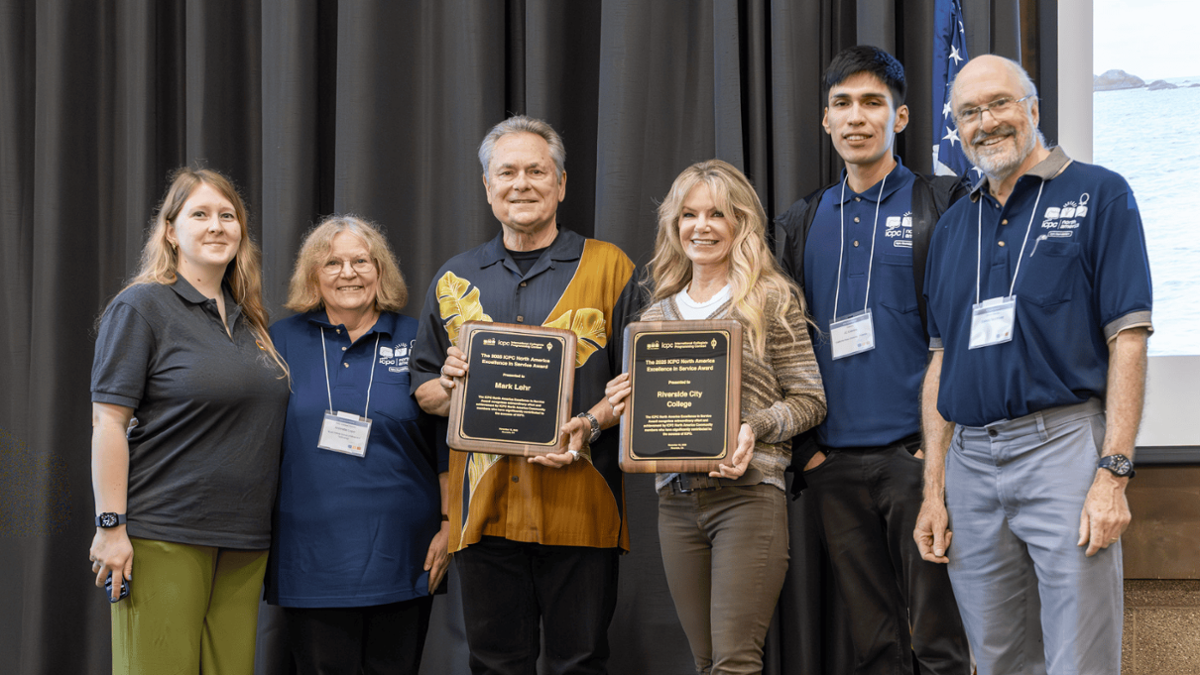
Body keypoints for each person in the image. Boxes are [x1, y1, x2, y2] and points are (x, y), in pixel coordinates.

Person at [914, 54, 1152, 675]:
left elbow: (1129, 339)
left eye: (999, 103)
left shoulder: (1100, 193)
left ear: (1033, 110)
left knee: (1079, 657)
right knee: (995, 659)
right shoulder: (952, 225)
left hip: (1064, 452)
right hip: (969, 463)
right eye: (969, 112)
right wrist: (933, 489)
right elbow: (941, 360)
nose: (986, 122)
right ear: (957, 127)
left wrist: (1114, 473)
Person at [409, 115, 641, 675]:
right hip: (482, 513)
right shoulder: (453, 278)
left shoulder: (611, 267)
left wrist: (589, 422)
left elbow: (640, 386)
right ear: (488, 188)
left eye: (537, 171)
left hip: (581, 505)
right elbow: (423, 392)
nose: (522, 184)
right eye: (506, 172)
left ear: (561, 184)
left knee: (580, 662)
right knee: (493, 663)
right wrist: (450, 383)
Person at [774, 46, 971, 674]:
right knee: (874, 645)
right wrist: (810, 456)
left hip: (918, 462)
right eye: (842, 104)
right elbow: (779, 345)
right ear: (825, 120)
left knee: (941, 640)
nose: (856, 117)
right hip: (833, 467)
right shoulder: (801, 222)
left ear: (902, 117)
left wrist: (929, 455)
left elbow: (965, 335)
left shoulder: (943, 204)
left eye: (872, 103)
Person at [607, 159, 827, 675]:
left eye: (716, 214)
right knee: (705, 664)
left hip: (748, 497)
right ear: (674, 225)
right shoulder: (653, 316)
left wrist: (755, 429)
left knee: (734, 663)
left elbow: (809, 399)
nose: (701, 226)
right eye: (689, 215)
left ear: (740, 223)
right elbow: (656, 419)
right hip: (676, 504)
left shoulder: (769, 299)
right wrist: (626, 405)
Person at [88, 168, 290, 674]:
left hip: (245, 541)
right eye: (200, 214)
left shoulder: (250, 320)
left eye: (228, 216)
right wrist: (111, 527)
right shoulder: (141, 307)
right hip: (165, 533)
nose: (216, 226)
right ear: (171, 231)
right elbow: (108, 423)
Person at [265, 215, 449, 674]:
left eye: (361, 261)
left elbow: (447, 442)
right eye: (332, 263)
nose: (348, 273)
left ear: (380, 270)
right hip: (309, 556)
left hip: (405, 551)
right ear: (313, 275)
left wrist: (451, 524)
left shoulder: (419, 338)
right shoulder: (278, 340)